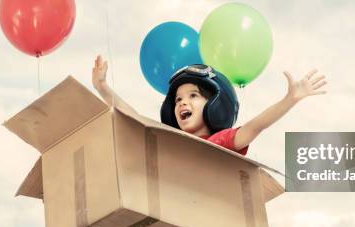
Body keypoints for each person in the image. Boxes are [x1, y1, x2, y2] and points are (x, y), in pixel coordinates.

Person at [92, 55, 326, 155]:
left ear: (214, 104)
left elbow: (255, 127)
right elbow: (136, 120)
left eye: (193, 96)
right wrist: (103, 87)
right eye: (178, 99)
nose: (183, 102)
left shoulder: (219, 142)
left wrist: (290, 100)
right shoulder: (168, 143)